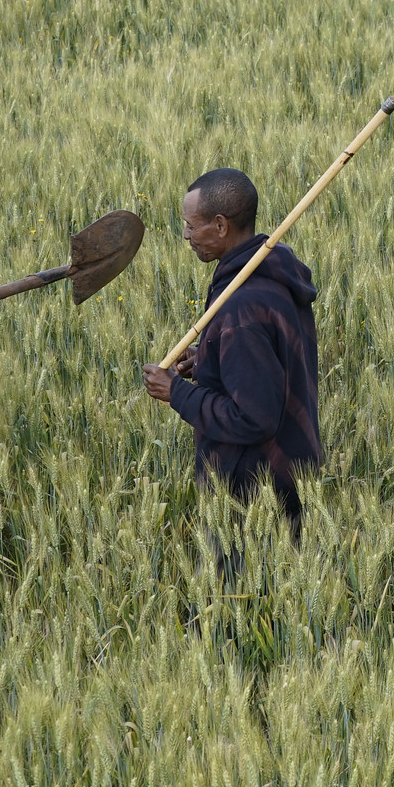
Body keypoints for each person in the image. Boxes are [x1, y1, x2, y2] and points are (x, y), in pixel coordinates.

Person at [143, 169, 321, 567]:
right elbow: (270, 367)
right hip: (290, 471)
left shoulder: (241, 308)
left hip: (252, 491)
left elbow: (253, 418)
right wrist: (208, 360)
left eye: (191, 226)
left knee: (239, 610)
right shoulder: (274, 277)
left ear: (220, 226)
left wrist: (177, 392)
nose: (186, 236)